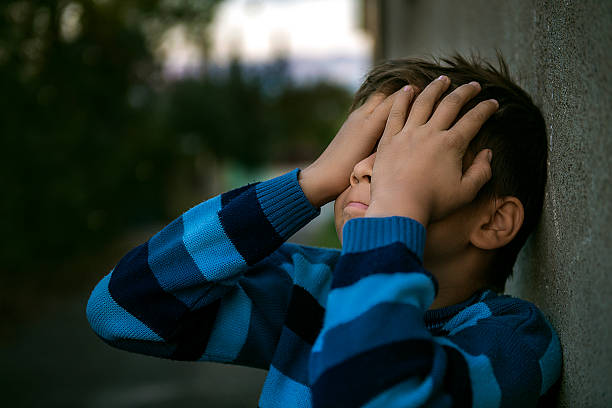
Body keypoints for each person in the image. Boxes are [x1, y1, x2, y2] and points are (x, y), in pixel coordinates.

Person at [86, 54, 561, 407]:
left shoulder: (515, 341)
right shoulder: (311, 293)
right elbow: (124, 308)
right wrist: (309, 183)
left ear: (493, 222)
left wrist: (397, 203)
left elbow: (368, 391)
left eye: (401, 158)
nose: (362, 170)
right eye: (361, 149)